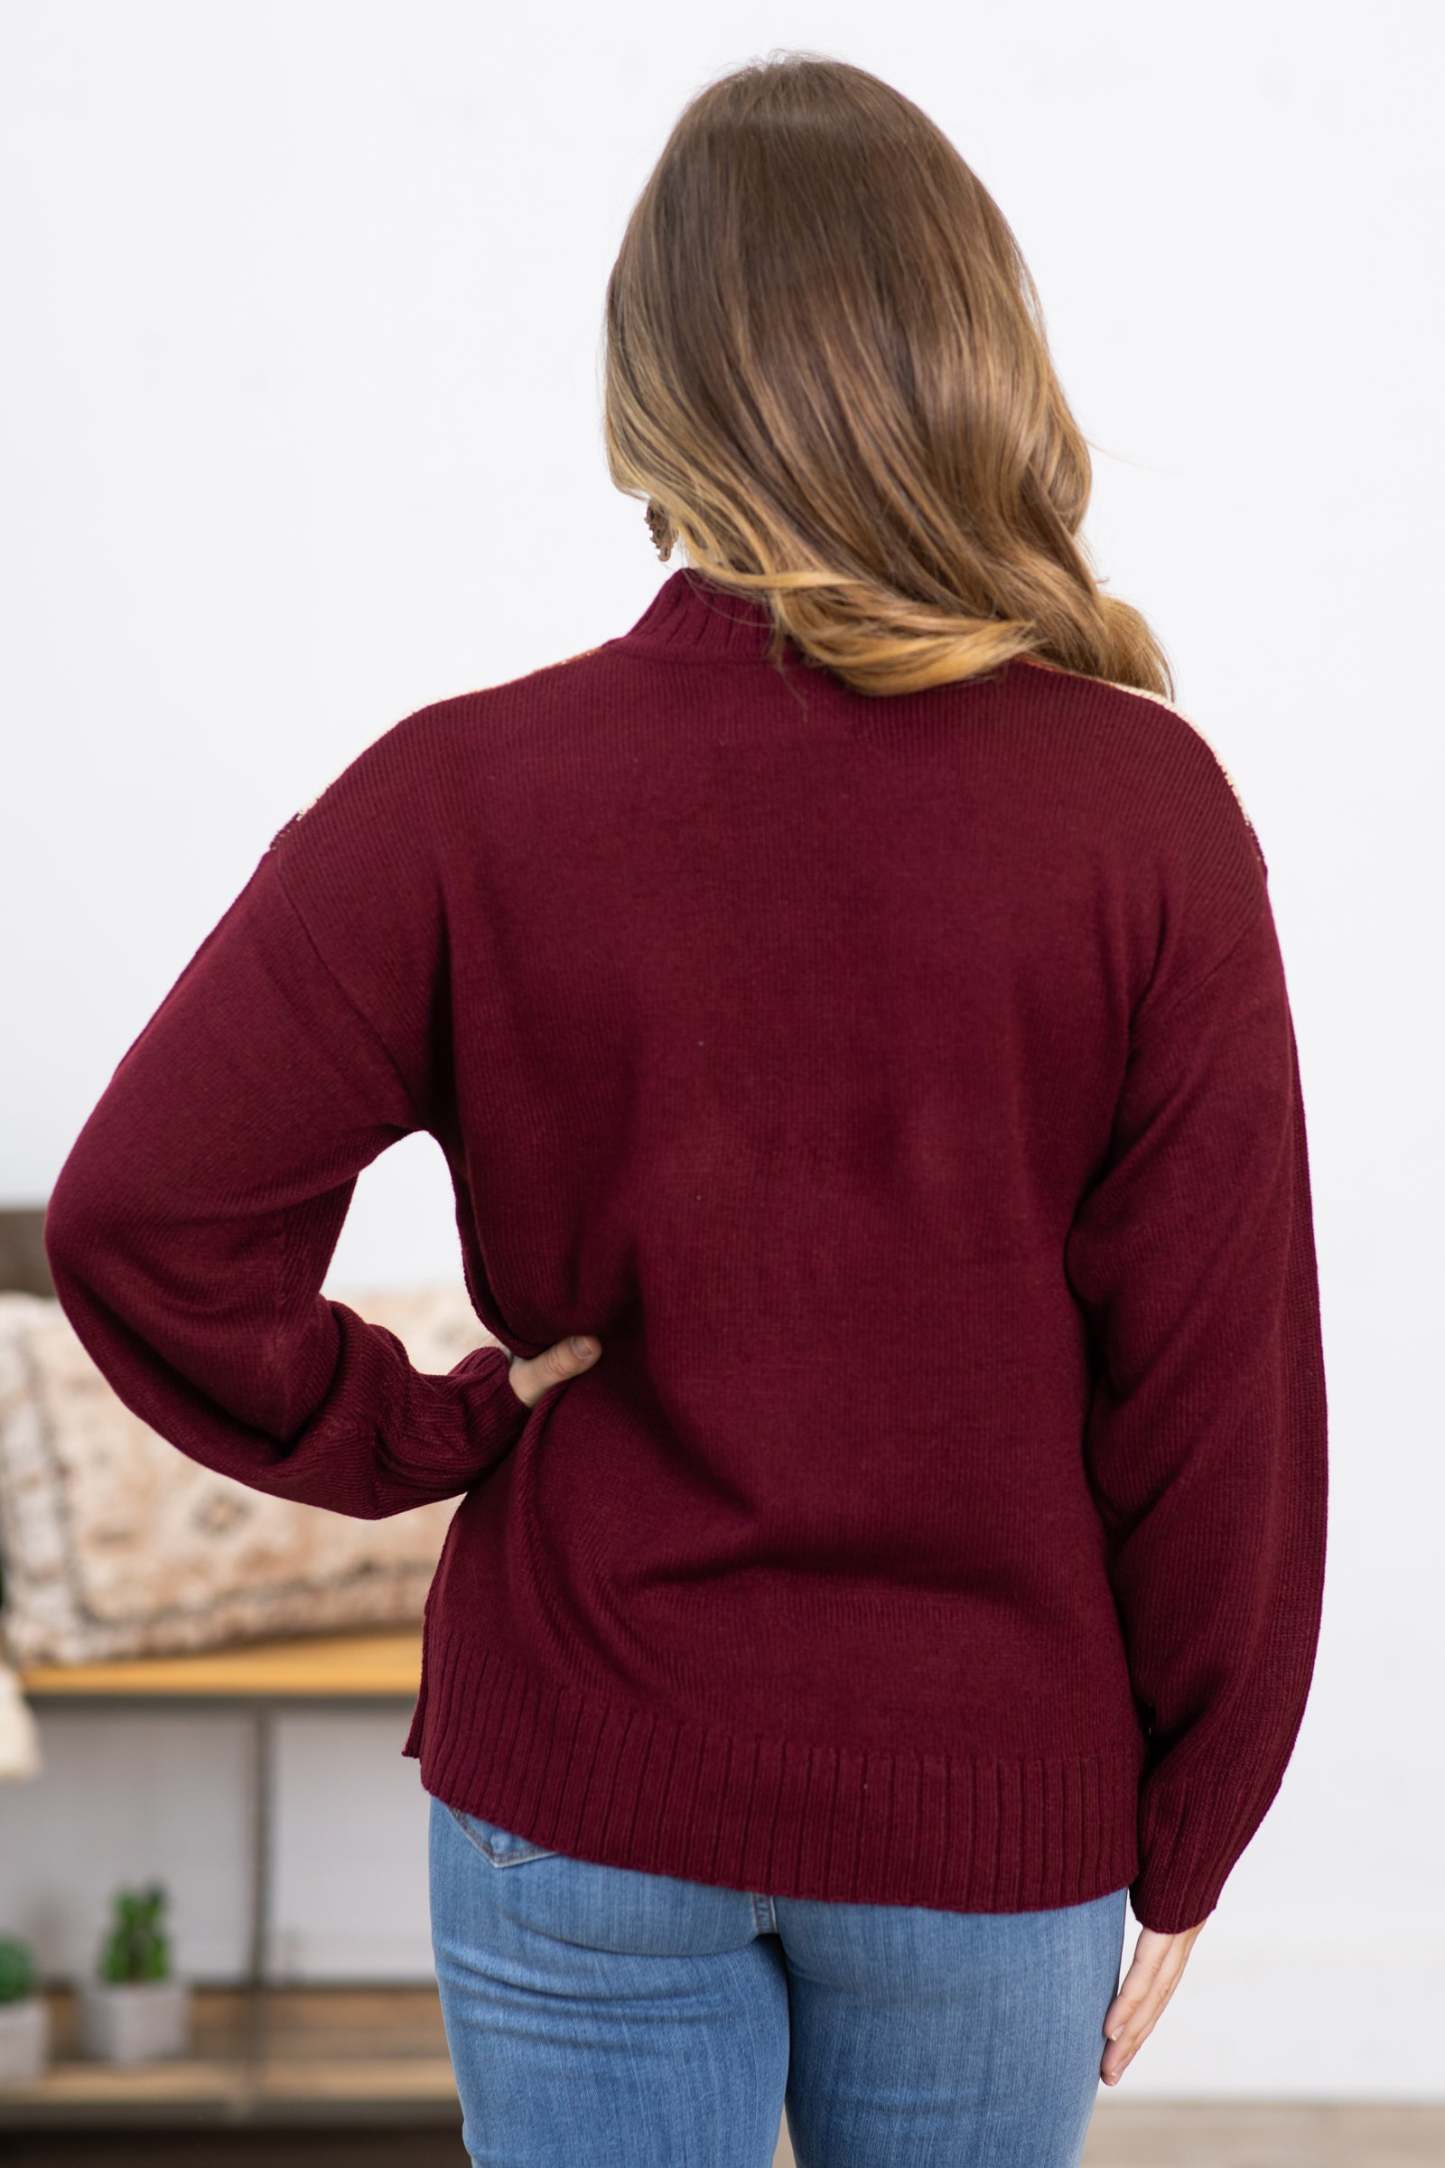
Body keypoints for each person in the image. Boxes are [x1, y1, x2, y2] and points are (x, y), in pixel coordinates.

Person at [43, 49, 1328, 2168]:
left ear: (651, 399)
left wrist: (437, 1426)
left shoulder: (466, 796)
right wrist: (1197, 1816)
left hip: (586, 1774)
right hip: (984, 1810)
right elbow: (1218, 1392)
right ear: (975, 359)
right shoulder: (1144, 814)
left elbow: (137, 1223)